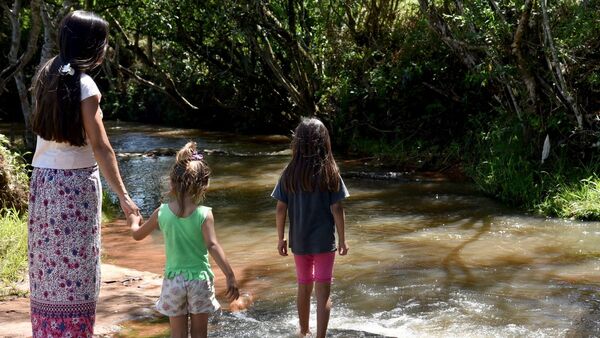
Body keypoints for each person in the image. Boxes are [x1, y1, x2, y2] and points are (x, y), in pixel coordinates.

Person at [27, 10, 139, 337]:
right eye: (103, 43)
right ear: (89, 45)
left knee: (48, 272)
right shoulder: (85, 85)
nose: (105, 49)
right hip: (74, 189)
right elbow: (102, 147)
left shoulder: (46, 74)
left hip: (45, 185)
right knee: (76, 275)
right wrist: (124, 195)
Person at [128, 141, 239, 338]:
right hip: (199, 280)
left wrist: (133, 220)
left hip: (173, 281)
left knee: (177, 335)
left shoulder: (161, 212)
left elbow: (137, 235)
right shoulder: (204, 214)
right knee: (199, 334)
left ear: (172, 182)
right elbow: (212, 245)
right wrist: (229, 275)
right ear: (203, 185)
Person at [272, 117, 350, 338]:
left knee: (303, 287)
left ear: (297, 143)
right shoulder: (330, 171)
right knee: (323, 293)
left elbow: (280, 208)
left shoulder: (289, 173)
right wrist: (342, 240)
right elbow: (337, 208)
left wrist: (280, 238)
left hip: (299, 241)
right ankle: (320, 337)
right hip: (325, 242)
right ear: (324, 142)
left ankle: (304, 332)